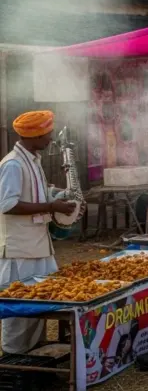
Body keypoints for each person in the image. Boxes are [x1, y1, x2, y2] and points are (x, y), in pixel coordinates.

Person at [0, 111, 77, 354]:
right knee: (20, 313)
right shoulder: (12, 164)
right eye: (47, 134)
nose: (51, 139)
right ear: (34, 136)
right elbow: (7, 204)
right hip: (19, 251)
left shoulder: (32, 160)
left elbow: (36, 193)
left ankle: (35, 358)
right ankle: (13, 363)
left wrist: (58, 195)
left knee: (42, 306)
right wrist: (51, 206)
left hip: (40, 246)